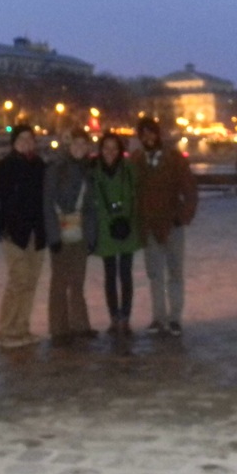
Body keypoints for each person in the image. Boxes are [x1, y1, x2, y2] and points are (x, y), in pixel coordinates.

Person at [0, 125, 48, 349]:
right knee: (18, 280)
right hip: (14, 234)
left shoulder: (39, 166)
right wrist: (0, 225)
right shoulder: (3, 167)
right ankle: (7, 330)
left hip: (37, 233)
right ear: (14, 142)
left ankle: (22, 327)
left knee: (30, 282)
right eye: (22, 138)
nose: (27, 142)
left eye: (30, 138)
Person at [132, 116, 197, 336]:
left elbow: (189, 190)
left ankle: (175, 318)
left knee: (175, 272)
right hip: (149, 225)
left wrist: (182, 217)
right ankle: (159, 317)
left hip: (172, 224)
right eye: (144, 133)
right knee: (154, 275)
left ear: (158, 134)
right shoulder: (136, 160)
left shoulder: (174, 158)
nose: (148, 137)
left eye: (151, 132)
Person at [43, 129, 98, 345]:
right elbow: (47, 203)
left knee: (77, 281)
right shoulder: (56, 170)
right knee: (59, 282)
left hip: (80, 233)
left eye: (84, 145)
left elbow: (90, 209)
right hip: (61, 231)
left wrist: (91, 236)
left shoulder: (89, 171)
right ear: (68, 146)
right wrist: (53, 236)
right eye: (76, 144)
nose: (80, 148)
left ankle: (80, 325)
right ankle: (59, 329)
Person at [91, 131, 140, 336]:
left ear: (120, 150)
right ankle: (114, 317)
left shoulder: (129, 169)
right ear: (100, 151)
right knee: (110, 275)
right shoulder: (94, 171)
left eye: (114, 148)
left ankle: (126, 317)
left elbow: (137, 194)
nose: (110, 152)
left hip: (127, 226)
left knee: (126, 274)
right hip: (105, 228)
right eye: (106, 148)